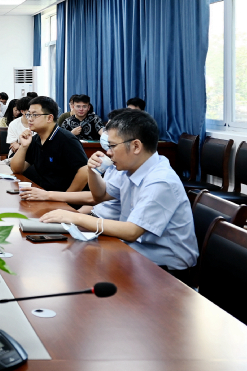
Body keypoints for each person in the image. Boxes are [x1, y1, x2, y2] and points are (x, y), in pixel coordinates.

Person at [39, 110, 197, 285]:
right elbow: (100, 195)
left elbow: (131, 231)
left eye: (112, 146)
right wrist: (92, 171)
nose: (108, 152)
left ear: (136, 146)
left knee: (81, 273)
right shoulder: (130, 168)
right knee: (70, 262)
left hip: (166, 270)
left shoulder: (161, 181)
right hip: (134, 251)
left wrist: (76, 217)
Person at [10, 96, 89, 192]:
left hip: (62, 196)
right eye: (28, 115)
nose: (29, 119)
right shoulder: (35, 139)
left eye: (34, 115)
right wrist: (23, 146)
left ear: (49, 118)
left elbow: (85, 171)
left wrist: (65, 197)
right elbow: (17, 169)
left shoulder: (67, 140)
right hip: (44, 193)